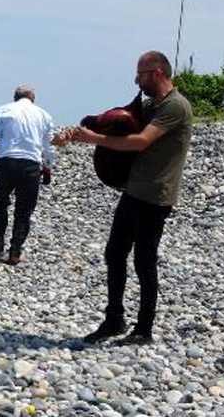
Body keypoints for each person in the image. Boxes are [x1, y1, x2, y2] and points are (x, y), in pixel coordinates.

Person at [69, 51, 192, 345]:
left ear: (158, 72)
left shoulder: (175, 106)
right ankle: (114, 320)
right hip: (134, 190)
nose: (137, 81)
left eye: (141, 74)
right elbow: (122, 124)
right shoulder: (151, 106)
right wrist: (83, 131)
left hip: (155, 195)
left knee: (144, 260)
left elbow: (140, 141)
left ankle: (144, 329)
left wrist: (95, 139)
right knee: (114, 253)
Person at [0, 85, 55, 265]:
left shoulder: (4, 110)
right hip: (31, 166)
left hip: (7, 164)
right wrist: (48, 167)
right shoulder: (44, 115)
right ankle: (15, 251)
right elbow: (49, 145)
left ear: (15, 97)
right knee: (24, 211)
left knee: (0, 202)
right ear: (32, 98)